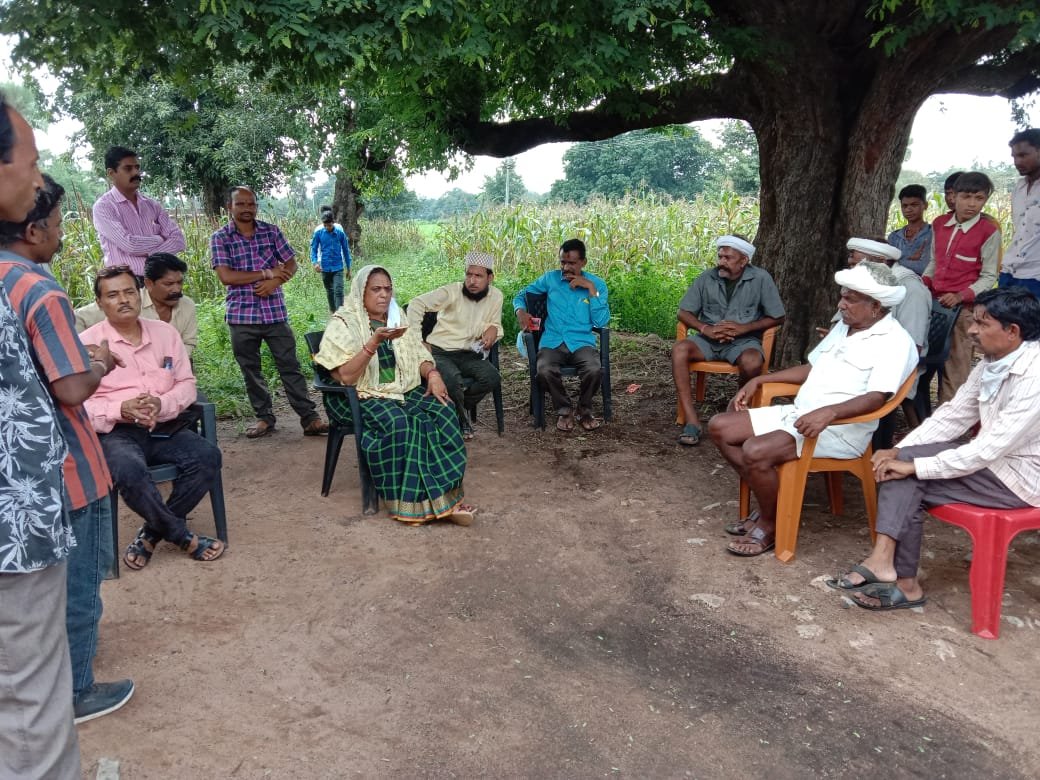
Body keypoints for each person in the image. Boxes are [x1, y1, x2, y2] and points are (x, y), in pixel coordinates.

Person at [0, 175, 136, 723]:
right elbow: (71, 387)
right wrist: (99, 361)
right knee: (78, 584)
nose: (60, 235)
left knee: (32, 590)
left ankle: (38, 675)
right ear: (33, 230)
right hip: (63, 464)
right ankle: (76, 690)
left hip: (16, 469)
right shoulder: (39, 288)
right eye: (56, 226)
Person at [828, 288, 1040, 611]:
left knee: (909, 475)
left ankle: (895, 573)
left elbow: (989, 448)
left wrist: (913, 465)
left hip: (1020, 480)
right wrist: (900, 450)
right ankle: (893, 571)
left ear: (1013, 332)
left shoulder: (1034, 377)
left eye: (983, 324)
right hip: (994, 463)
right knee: (898, 465)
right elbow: (954, 415)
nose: (971, 329)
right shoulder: (993, 362)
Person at [707, 262, 918, 557]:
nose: (841, 304)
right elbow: (812, 367)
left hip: (839, 429)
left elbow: (876, 398)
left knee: (756, 450)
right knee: (720, 426)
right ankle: (776, 504)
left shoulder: (896, 342)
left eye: (850, 299)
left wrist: (829, 413)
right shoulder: (844, 328)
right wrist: (760, 379)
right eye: (842, 295)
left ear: (876, 306)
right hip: (799, 414)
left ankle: (770, 522)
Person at [0, 92, 81, 779]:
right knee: (31, 703)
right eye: (29, 161)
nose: (36, 177)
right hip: (14, 528)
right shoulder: (31, 287)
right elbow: (66, 387)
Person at [80, 266, 225, 569]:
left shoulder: (165, 333)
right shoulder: (86, 344)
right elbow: (78, 404)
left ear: (140, 293)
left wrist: (162, 403)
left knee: (207, 457)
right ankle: (182, 536)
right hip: (116, 433)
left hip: (164, 426)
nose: (123, 300)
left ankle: (151, 534)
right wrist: (120, 408)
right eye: (113, 295)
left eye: (129, 292)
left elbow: (186, 384)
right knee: (129, 470)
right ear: (99, 302)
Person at [315, 265, 476, 526]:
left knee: (443, 412)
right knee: (402, 424)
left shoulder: (396, 316)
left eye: (388, 289)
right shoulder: (343, 323)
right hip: (357, 397)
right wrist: (373, 343)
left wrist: (433, 374)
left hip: (400, 390)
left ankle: (446, 497)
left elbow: (419, 355)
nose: (384, 295)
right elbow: (346, 377)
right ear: (361, 292)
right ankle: (414, 503)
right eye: (376, 289)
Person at [210, 186, 329, 438]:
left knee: (290, 366)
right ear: (230, 207)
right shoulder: (221, 238)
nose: (246, 209)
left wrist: (275, 281)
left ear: (256, 206)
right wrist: (267, 272)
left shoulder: (271, 231)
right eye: (240, 204)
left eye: (251, 204)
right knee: (251, 370)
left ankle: (309, 419)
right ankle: (264, 418)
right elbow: (226, 276)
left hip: (274, 313)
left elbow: (291, 264)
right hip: (241, 316)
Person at [671, 235, 785, 446]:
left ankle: (735, 414)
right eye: (720, 256)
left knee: (752, 362)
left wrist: (745, 328)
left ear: (744, 261)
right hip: (707, 340)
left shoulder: (761, 279)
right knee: (679, 350)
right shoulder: (707, 278)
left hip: (743, 342)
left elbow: (778, 316)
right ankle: (691, 420)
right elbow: (683, 312)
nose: (721, 262)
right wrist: (706, 328)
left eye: (727, 258)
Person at [839, 238, 931, 448]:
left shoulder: (910, 288)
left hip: (889, 366)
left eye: (855, 262)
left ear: (879, 261)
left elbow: (912, 346)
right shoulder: (862, 284)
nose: (851, 266)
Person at [513, 238, 610, 432]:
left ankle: (584, 409)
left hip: (581, 342)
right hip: (553, 341)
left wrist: (591, 290)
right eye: (563, 262)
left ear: (584, 262)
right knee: (544, 369)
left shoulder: (597, 284)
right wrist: (521, 311)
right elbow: (521, 295)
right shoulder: (550, 279)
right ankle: (564, 410)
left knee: (594, 369)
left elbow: (600, 322)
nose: (566, 267)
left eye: (572, 263)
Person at [406, 250, 503, 439]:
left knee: (492, 377)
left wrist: (494, 330)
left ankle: (458, 407)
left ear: (490, 278)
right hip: (441, 352)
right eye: (469, 274)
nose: (472, 281)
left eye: (478, 276)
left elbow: (495, 324)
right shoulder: (452, 291)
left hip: (469, 353)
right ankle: (461, 421)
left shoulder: (496, 297)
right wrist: (417, 341)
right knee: (452, 380)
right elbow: (416, 304)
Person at [923, 171, 1001, 403]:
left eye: (979, 198)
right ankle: (926, 423)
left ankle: (951, 429)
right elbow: (934, 263)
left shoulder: (989, 231)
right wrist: (924, 284)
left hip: (964, 312)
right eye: (967, 197)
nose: (972, 204)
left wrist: (960, 295)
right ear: (953, 196)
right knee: (924, 364)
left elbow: (989, 276)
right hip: (933, 305)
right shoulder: (939, 224)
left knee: (955, 371)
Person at [75, 251, 198, 358]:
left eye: (179, 282)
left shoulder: (187, 306)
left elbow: (189, 343)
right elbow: (79, 317)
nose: (176, 289)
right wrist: (85, 349)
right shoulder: (128, 303)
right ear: (149, 283)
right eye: (168, 284)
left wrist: (173, 361)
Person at [92, 146, 186, 277]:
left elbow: (179, 240)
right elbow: (130, 244)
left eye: (137, 167)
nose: (136, 173)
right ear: (111, 173)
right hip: (126, 283)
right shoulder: (104, 207)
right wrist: (161, 238)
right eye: (128, 168)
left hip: (159, 280)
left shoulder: (152, 205)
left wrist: (152, 256)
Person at [1000, 128, 1040, 297]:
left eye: (1023, 155)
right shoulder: (1019, 187)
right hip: (1010, 270)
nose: (1017, 161)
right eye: (1015, 157)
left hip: (1036, 275)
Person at [310, 206, 351, 312]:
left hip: (338, 266)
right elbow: (313, 249)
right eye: (325, 225)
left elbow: (346, 251)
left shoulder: (340, 234)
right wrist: (315, 263)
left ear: (333, 222)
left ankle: (340, 314)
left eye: (329, 225)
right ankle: (333, 312)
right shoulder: (319, 233)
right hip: (325, 267)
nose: (328, 227)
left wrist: (349, 269)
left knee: (338, 290)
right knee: (329, 291)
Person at [887, 184, 933, 276]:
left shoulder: (933, 233)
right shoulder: (894, 237)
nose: (908, 209)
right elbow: (887, 265)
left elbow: (924, 267)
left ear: (925, 205)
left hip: (924, 285)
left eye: (914, 205)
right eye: (904, 206)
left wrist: (898, 262)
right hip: (896, 284)